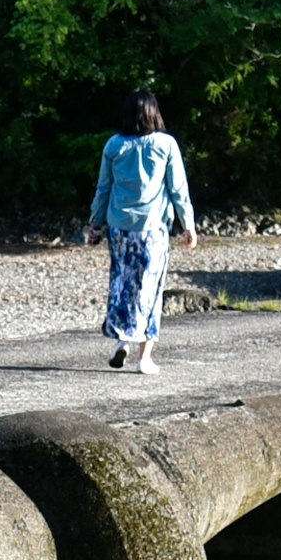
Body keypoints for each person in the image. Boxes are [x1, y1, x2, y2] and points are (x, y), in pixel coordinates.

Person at [87, 89, 199, 369]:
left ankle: (122, 340)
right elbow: (177, 188)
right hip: (153, 229)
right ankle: (144, 357)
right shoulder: (165, 144)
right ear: (154, 113)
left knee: (123, 283)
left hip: (119, 229)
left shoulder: (114, 145)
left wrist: (95, 224)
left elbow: (103, 189)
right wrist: (189, 225)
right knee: (151, 288)